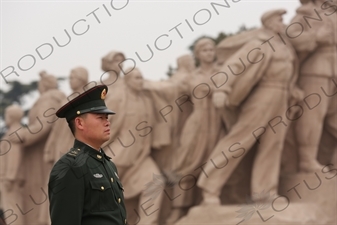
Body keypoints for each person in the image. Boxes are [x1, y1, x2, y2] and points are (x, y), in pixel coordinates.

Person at [197, 9, 301, 204]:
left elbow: (288, 70)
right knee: (240, 140)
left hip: (282, 97)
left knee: (273, 145)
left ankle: (264, 193)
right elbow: (233, 66)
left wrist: (293, 89)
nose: (283, 22)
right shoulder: (258, 44)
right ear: (269, 23)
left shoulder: (285, 46)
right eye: (280, 19)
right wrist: (222, 88)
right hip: (263, 95)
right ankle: (210, 188)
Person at [48, 84, 127, 225]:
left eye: (107, 117)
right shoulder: (70, 167)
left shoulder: (109, 165)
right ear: (79, 123)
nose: (107, 122)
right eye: (100, 118)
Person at [102, 68, 163, 225]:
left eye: (141, 78)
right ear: (127, 81)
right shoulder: (117, 99)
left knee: (155, 182)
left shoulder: (147, 101)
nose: (140, 81)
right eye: (136, 78)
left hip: (141, 156)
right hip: (118, 155)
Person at [289, 0, 337, 172]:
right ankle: (306, 160)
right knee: (312, 116)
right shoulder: (305, 13)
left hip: (334, 71)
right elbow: (290, 38)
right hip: (315, 70)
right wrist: (315, 38)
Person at [0, 105, 25, 225]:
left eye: (6, 115)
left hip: (10, 180)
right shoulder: (14, 132)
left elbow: (14, 157)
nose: (5, 118)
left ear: (11, 117)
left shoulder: (14, 133)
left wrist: (10, 177)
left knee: (12, 209)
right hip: (9, 179)